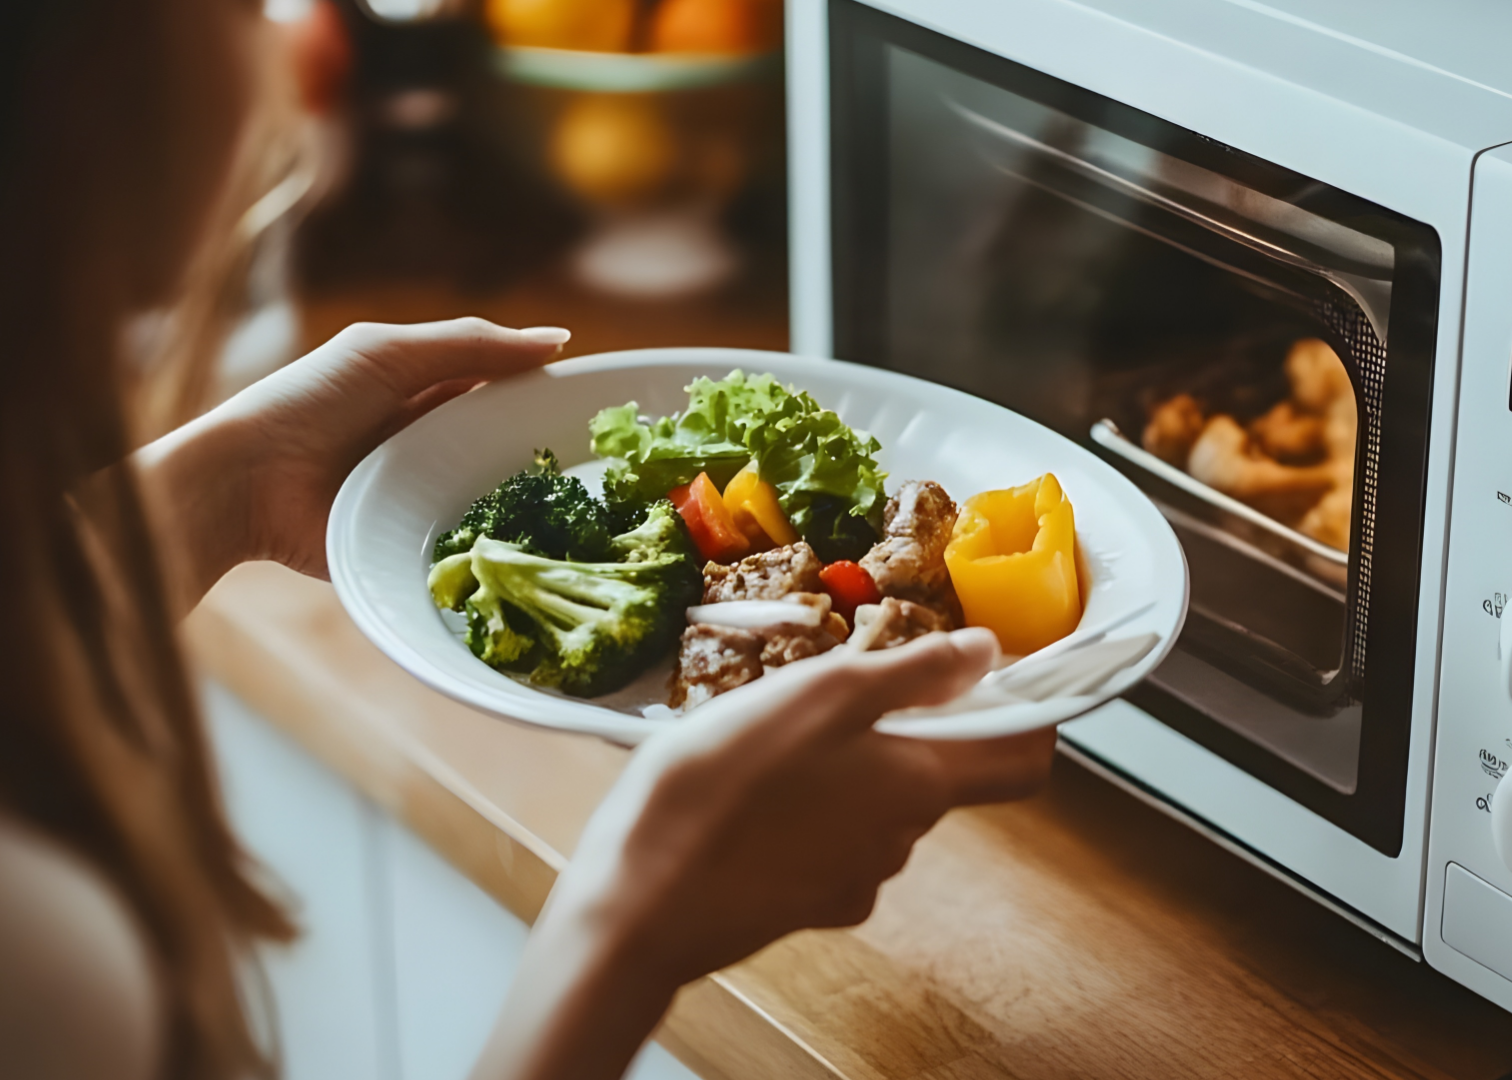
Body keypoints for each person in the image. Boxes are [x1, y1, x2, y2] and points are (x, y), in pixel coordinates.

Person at [0, 3, 1058, 1079]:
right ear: (81, 69)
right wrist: (625, 931)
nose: (279, 40)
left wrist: (230, 486)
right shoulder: (42, 953)